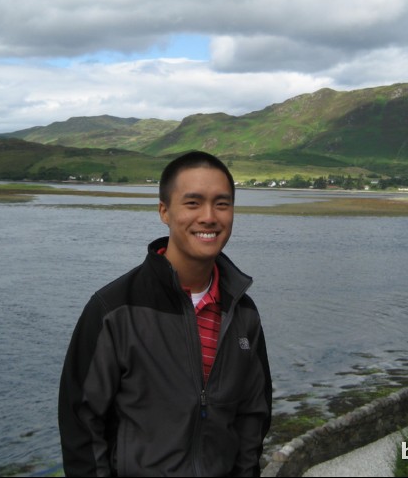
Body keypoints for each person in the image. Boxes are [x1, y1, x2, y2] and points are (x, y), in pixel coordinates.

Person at [58, 151, 272, 477]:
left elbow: (252, 419)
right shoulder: (114, 310)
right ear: (164, 212)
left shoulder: (243, 314)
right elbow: (81, 425)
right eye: (192, 203)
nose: (209, 216)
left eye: (222, 203)